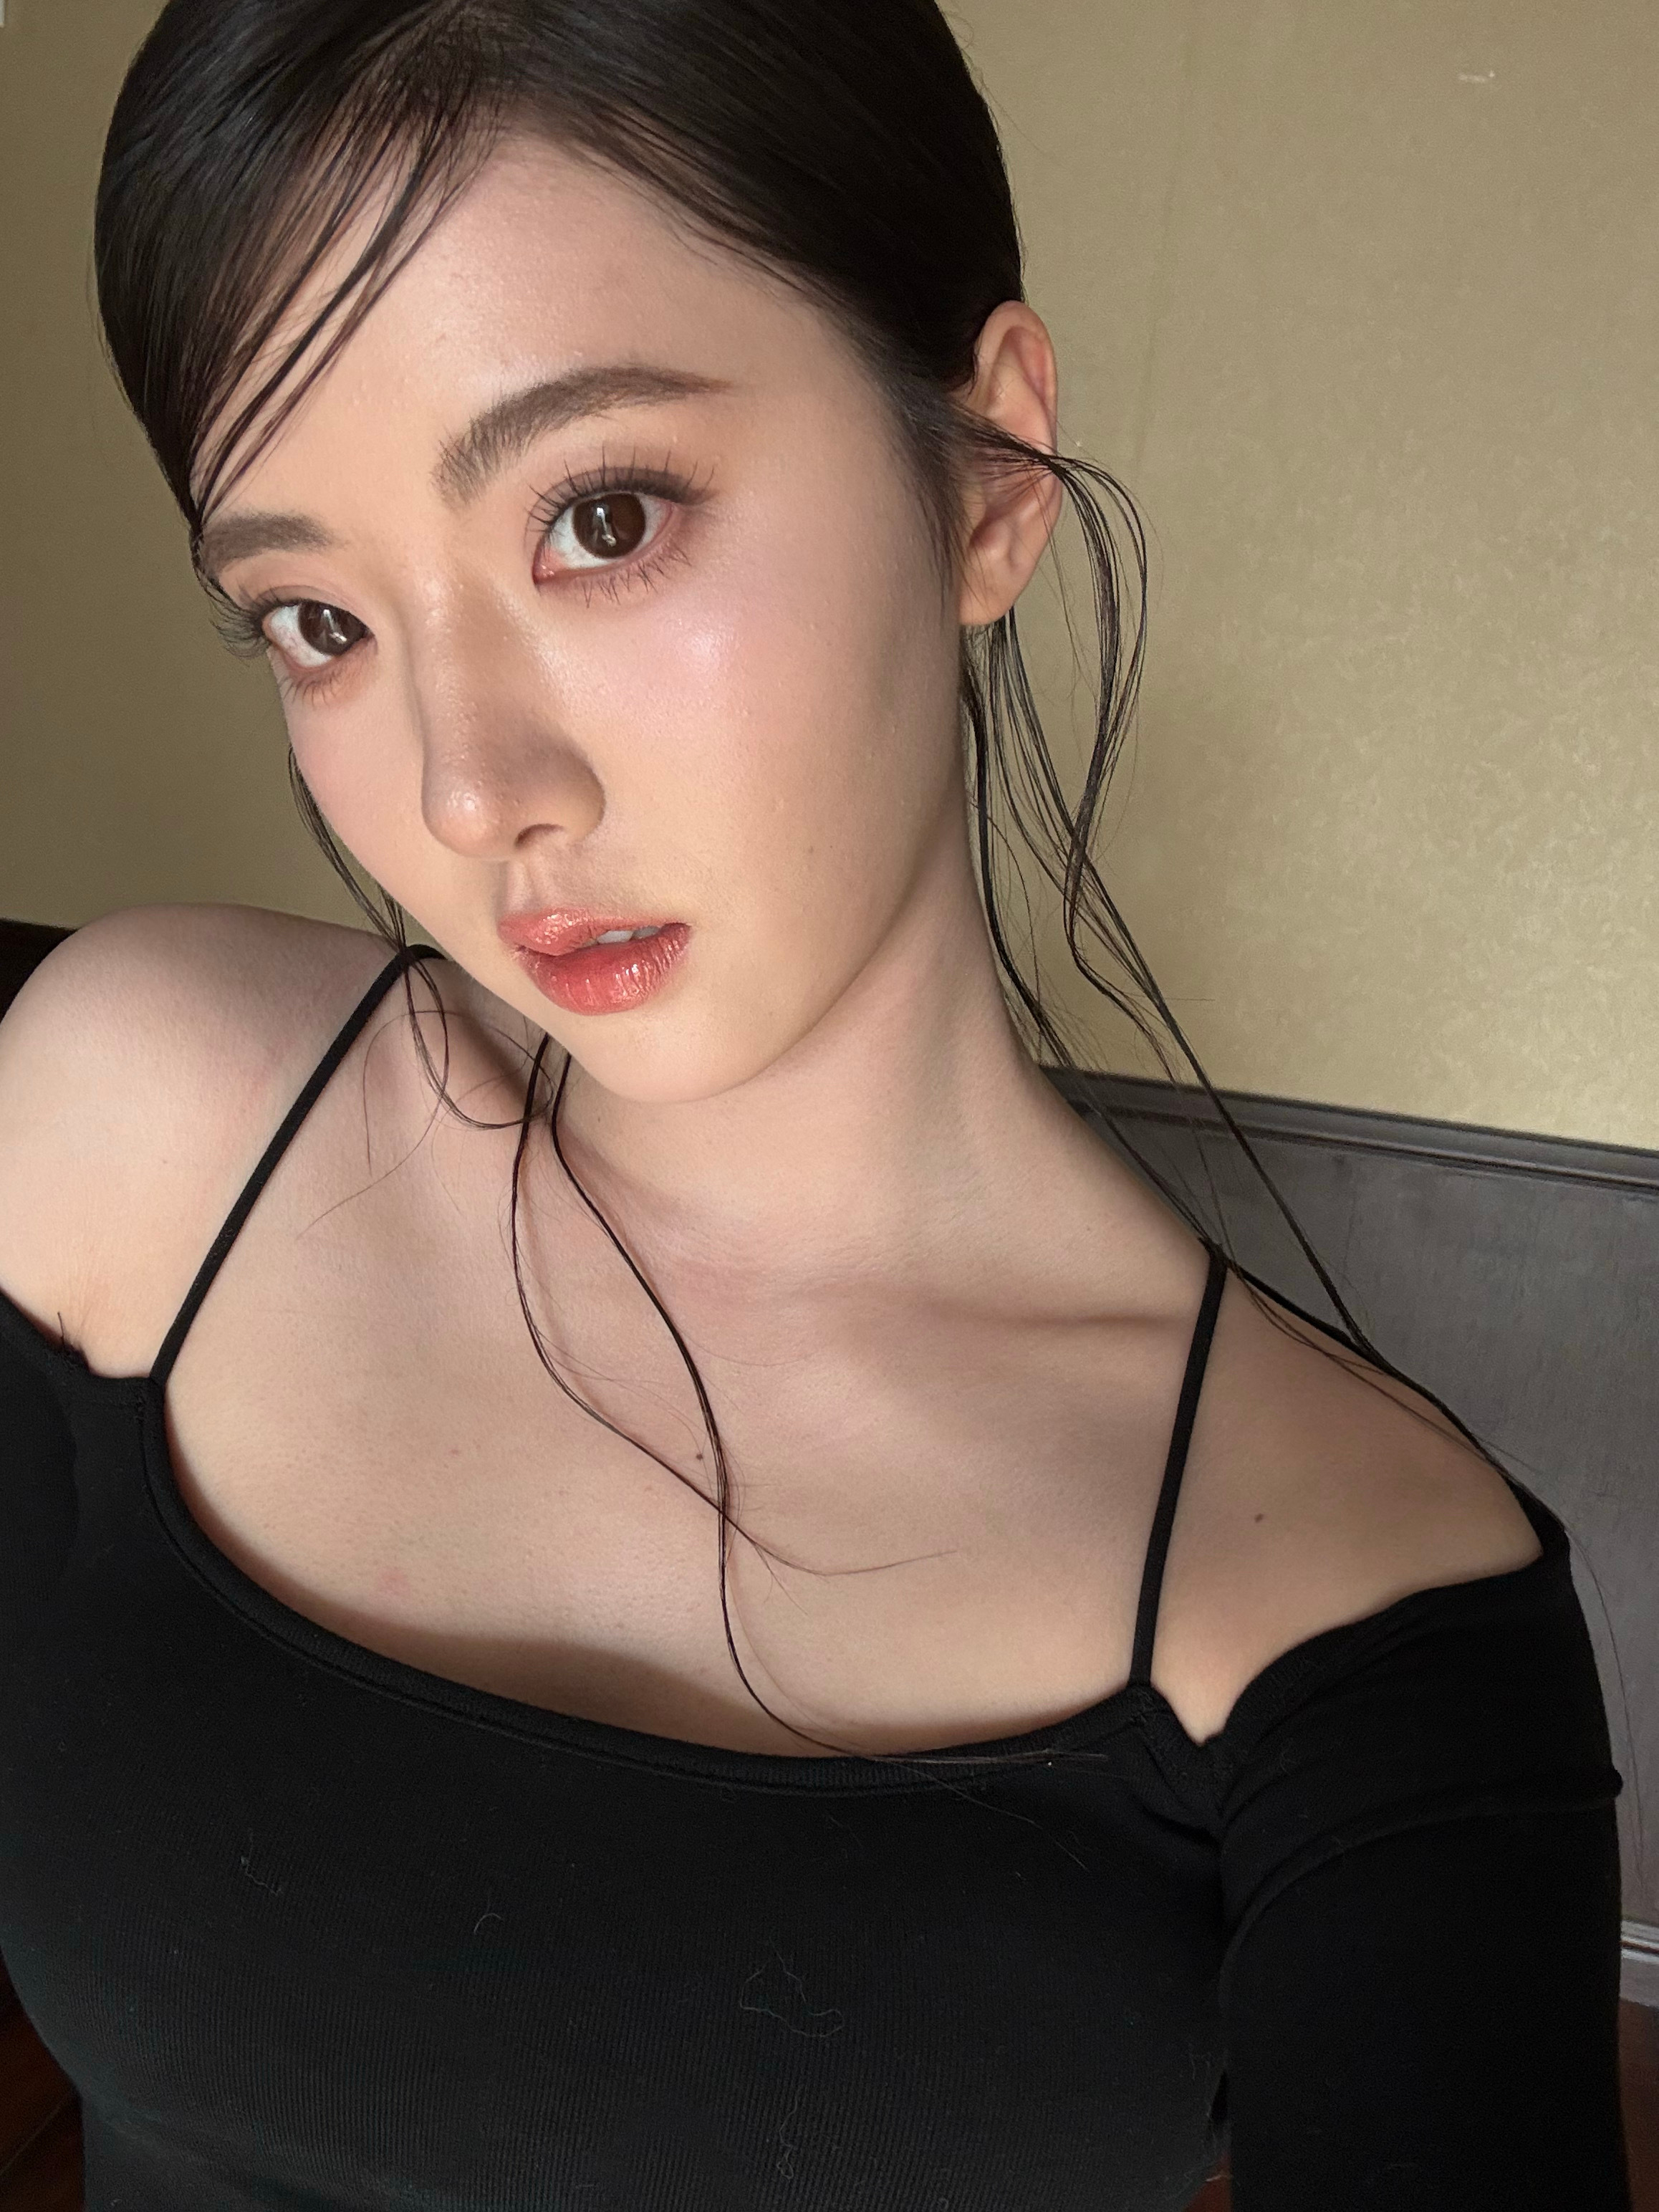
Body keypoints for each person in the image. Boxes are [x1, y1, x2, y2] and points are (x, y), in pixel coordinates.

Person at [0, 1, 1630, 2205]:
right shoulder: (135, 1133)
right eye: (314, 618)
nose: (472, 789)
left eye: (600, 516)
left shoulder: (1338, 1589)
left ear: (986, 474)